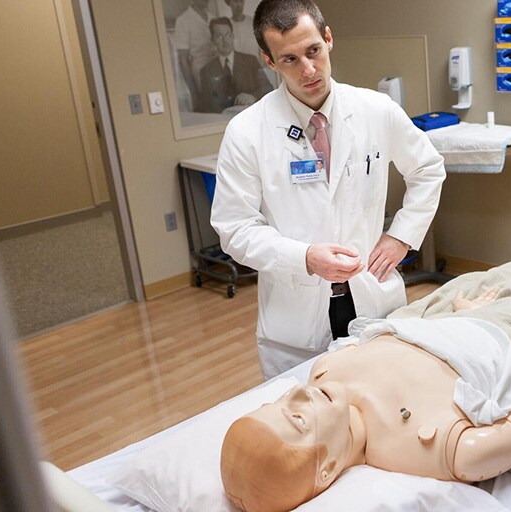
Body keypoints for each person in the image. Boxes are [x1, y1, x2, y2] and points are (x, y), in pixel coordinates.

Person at [211, 0, 445, 379]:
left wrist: (401, 236)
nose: (308, 70)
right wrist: (304, 258)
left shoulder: (376, 110)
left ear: (328, 39)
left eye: (313, 51)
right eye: (289, 59)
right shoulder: (247, 132)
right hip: (296, 319)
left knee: (383, 415)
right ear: (269, 62)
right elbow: (234, 228)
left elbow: (428, 168)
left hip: (372, 299)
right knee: (308, 428)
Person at [220, 294, 511, 512]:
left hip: (461, 320)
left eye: (279, 401)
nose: (299, 392)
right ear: (326, 468)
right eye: (298, 418)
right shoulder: (425, 449)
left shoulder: (327, 370)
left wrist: (459, 314)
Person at [195, 17, 272, 113]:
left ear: (233, 36)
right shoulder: (206, 71)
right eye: (219, 36)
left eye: (228, 35)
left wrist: (253, 96)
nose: (225, 40)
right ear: (212, 40)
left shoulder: (250, 61)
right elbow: (205, 105)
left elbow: (268, 88)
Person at [174, 0, 218, 106]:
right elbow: (183, 60)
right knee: (208, 104)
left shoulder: (213, 18)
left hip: (218, 66)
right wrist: (194, 92)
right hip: (200, 70)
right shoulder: (183, 20)